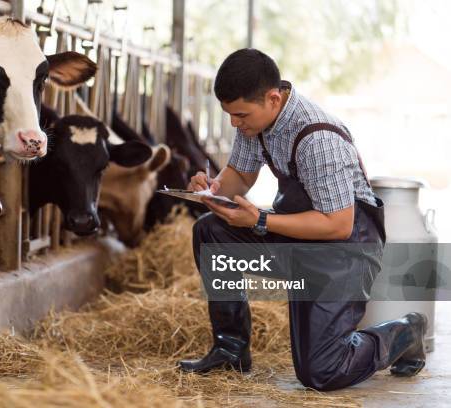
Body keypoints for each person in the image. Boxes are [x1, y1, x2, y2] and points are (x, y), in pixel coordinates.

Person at [179, 48, 427, 391]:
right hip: (299, 235)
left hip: (345, 250)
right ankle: (231, 350)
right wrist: (212, 189)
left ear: (273, 98)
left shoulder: (317, 137)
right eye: (230, 115)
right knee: (211, 230)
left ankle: (404, 332)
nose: (235, 123)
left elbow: (338, 224)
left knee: (322, 373)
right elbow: (241, 174)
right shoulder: (257, 123)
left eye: (240, 114)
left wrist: (260, 221)